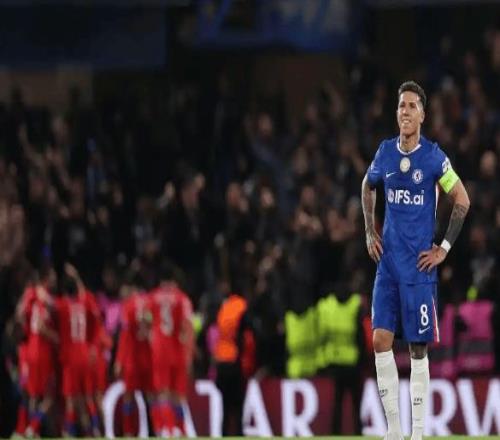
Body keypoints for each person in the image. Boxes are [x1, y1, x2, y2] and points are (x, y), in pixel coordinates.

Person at [361, 81, 470, 440]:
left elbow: (462, 200)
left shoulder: (435, 158)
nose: (404, 111)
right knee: (380, 341)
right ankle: (394, 431)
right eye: (401, 106)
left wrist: (443, 249)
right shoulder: (385, 153)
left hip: (420, 269)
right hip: (389, 266)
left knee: (417, 349)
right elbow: (367, 185)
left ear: (423, 114)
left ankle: (418, 432)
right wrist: (369, 231)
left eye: (411, 106)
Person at [148, 262, 194, 437]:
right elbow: (187, 327)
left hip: (159, 351)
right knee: (178, 395)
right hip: (178, 351)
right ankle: (180, 430)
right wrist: (189, 354)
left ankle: (166, 429)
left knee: (162, 393)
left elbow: (144, 321)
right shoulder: (182, 298)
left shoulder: (152, 297)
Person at [114, 271, 153, 436]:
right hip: (148, 358)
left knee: (129, 397)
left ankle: (129, 433)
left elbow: (125, 336)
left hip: (132, 359)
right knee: (150, 397)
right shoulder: (151, 302)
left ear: (131, 287)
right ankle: (154, 432)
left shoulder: (128, 305)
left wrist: (119, 361)